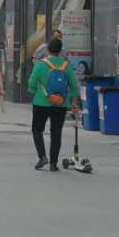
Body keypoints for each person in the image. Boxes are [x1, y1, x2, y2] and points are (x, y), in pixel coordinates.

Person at [28, 35, 79, 172]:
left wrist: (34, 91)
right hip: (61, 104)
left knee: (37, 130)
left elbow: (31, 83)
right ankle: (53, 164)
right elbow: (74, 86)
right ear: (60, 50)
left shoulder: (40, 64)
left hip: (41, 102)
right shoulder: (66, 65)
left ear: (48, 50)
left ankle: (42, 157)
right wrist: (74, 103)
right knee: (56, 133)